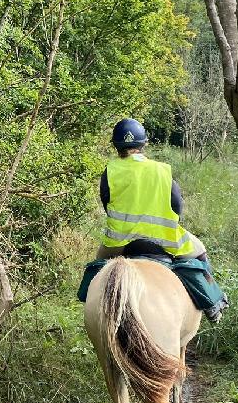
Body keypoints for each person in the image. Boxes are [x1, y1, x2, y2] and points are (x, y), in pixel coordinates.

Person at [96, 118, 227, 322]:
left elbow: (107, 204)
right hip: (165, 238)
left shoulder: (110, 171)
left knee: (96, 270)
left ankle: (87, 301)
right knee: (200, 251)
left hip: (119, 242)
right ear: (144, 144)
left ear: (116, 147)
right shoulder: (162, 169)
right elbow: (177, 206)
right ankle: (213, 302)